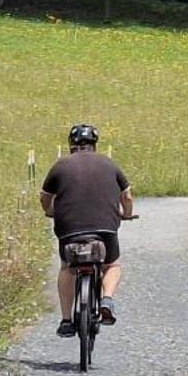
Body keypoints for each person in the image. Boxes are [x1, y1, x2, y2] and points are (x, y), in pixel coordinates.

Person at [40, 124, 135, 337]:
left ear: (71, 144)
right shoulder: (109, 163)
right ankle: (107, 299)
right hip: (106, 228)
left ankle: (66, 320)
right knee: (112, 264)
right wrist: (126, 214)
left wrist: (50, 211)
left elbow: (45, 197)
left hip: (69, 228)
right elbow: (127, 197)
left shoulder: (60, 165)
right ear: (95, 144)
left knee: (67, 268)